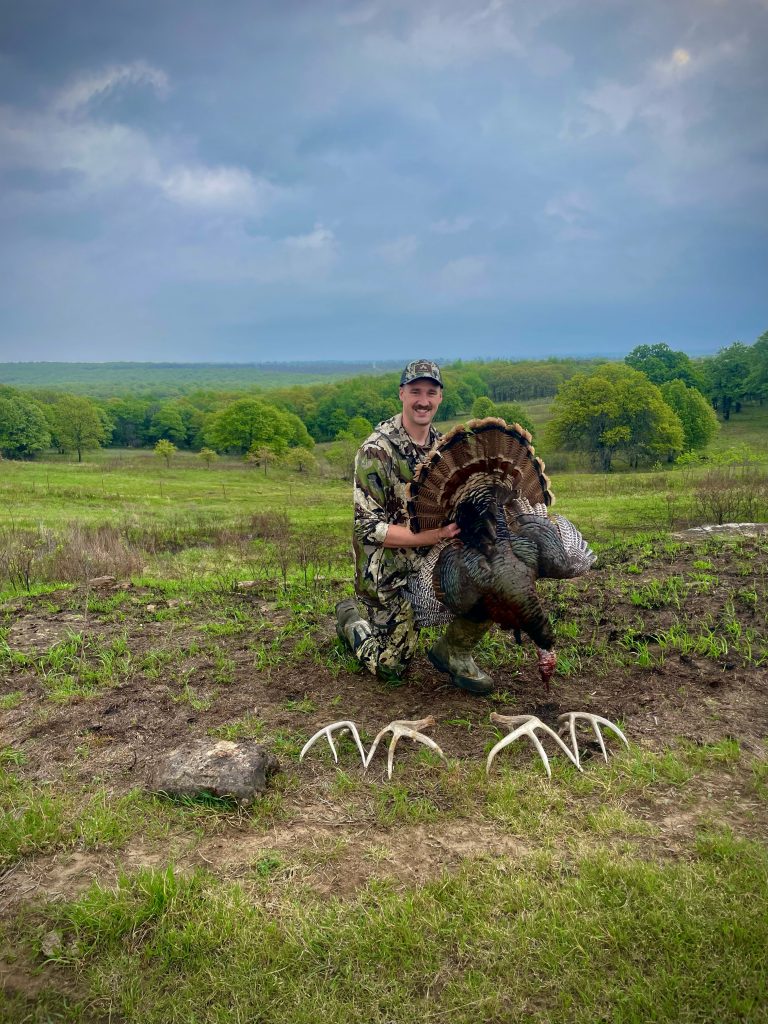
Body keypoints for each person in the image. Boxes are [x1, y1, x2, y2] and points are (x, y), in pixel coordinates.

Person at [335, 359, 494, 695]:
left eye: (431, 392)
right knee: (391, 668)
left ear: (439, 398)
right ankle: (351, 621)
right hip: (388, 571)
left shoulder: (445, 447)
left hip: (433, 561)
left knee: (494, 583)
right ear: (402, 394)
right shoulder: (376, 451)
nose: (423, 400)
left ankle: (453, 651)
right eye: (416, 391)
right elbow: (367, 529)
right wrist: (432, 536)